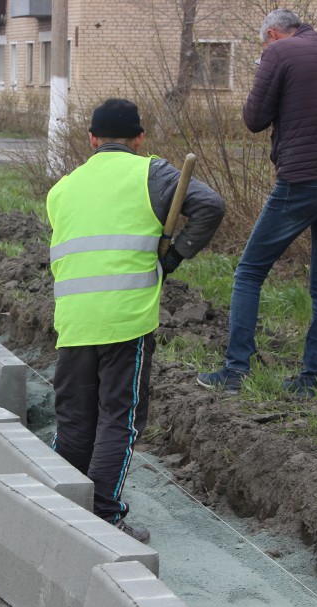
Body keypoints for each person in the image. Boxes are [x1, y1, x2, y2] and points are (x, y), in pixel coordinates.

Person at [46, 98, 225, 543]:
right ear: (139, 138)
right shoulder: (152, 173)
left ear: (91, 140)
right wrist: (173, 257)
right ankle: (103, 513)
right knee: (119, 417)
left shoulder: (63, 188)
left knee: (74, 419)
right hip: (126, 320)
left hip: (73, 321)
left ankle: (59, 507)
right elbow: (211, 206)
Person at [198, 8, 317, 397]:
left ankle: (236, 371)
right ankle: (311, 379)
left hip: (301, 183)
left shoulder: (278, 53)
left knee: (249, 272)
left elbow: (254, 118)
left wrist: (266, 72)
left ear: (272, 34)